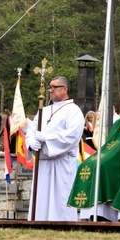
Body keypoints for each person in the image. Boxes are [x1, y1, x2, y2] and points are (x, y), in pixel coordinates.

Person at [68, 87, 120, 222]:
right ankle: (95, 213)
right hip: (114, 156)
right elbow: (110, 145)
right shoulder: (119, 123)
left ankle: (104, 213)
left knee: (103, 166)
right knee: (87, 165)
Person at [24, 76, 85, 221]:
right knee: (41, 198)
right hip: (43, 163)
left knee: (59, 199)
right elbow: (31, 130)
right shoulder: (43, 110)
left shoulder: (73, 111)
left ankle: (61, 225)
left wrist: (46, 138)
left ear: (65, 89)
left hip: (61, 164)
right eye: (49, 87)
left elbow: (72, 136)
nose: (50, 90)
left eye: (54, 87)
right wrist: (31, 142)